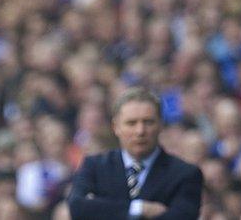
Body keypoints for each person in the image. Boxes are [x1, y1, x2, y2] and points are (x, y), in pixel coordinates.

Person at [67, 87, 202, 219]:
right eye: (131, 123)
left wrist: (103, 209)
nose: (140, 131)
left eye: (148, 122)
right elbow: (78, 207)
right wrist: (139, 208)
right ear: (116, 127)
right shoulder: (95, 166)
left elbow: (182, 216)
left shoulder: (185, 174)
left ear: (161, 125)